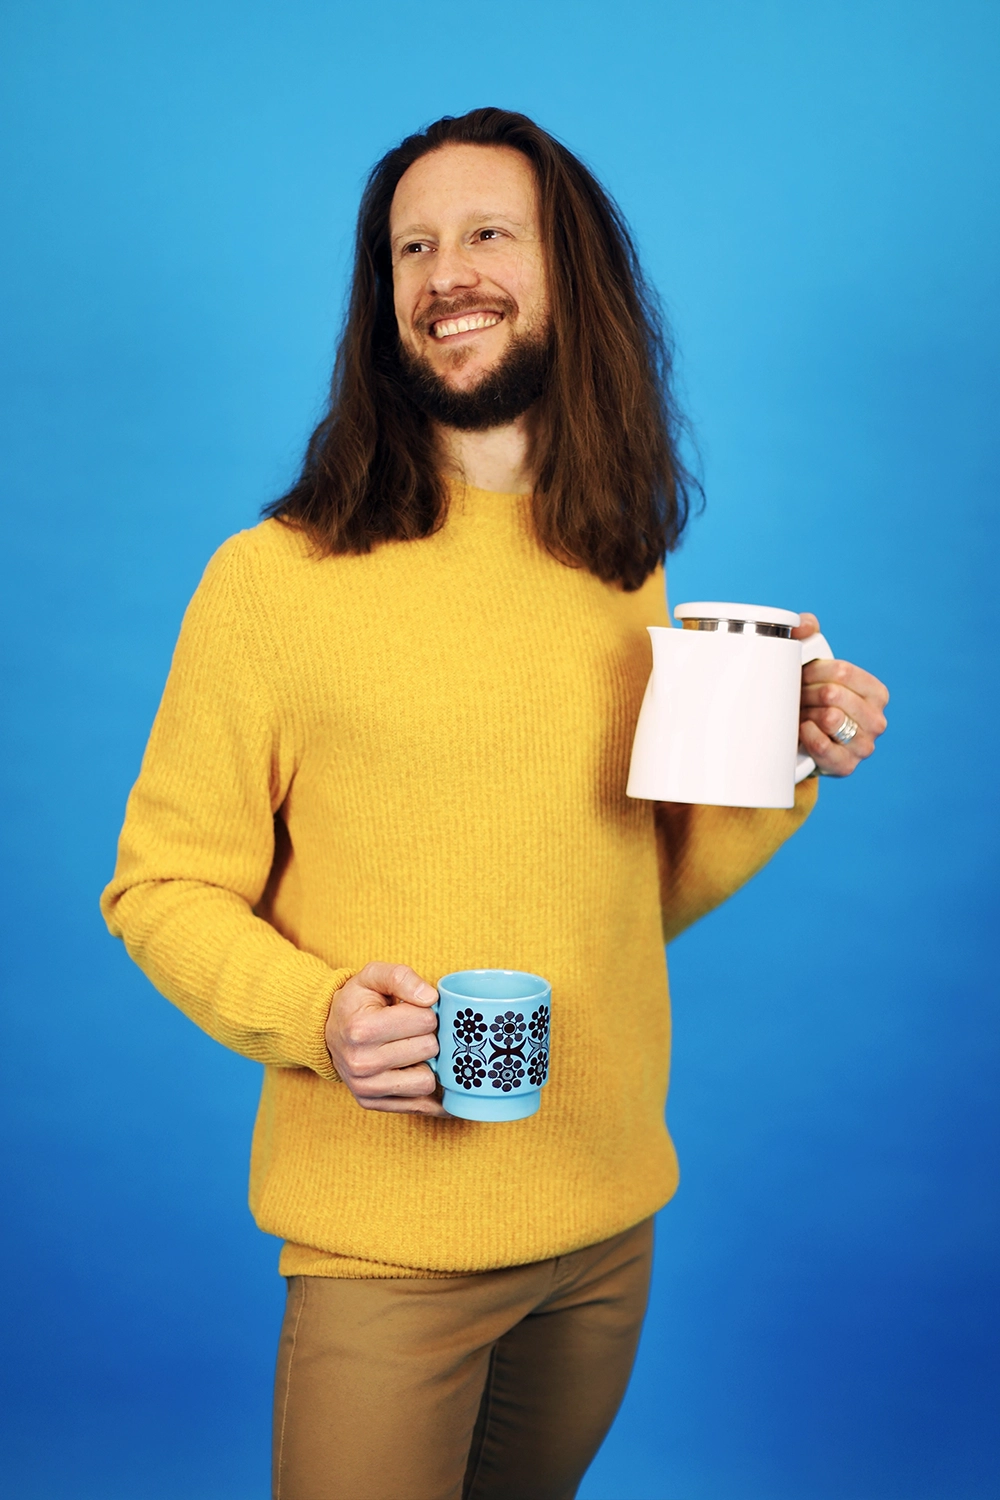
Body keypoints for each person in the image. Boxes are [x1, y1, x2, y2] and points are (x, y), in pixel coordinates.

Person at [101, 107, 888, 1500]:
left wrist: (787, 761)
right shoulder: (271, 579)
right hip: (387, 1245)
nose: (442, 270)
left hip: (603, 1231)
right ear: (383, 298)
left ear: (566, 275)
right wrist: (318, 1018)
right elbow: (158, 886)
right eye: (411, 246)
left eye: (484, 235)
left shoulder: (615, 564)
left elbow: (614, 895)